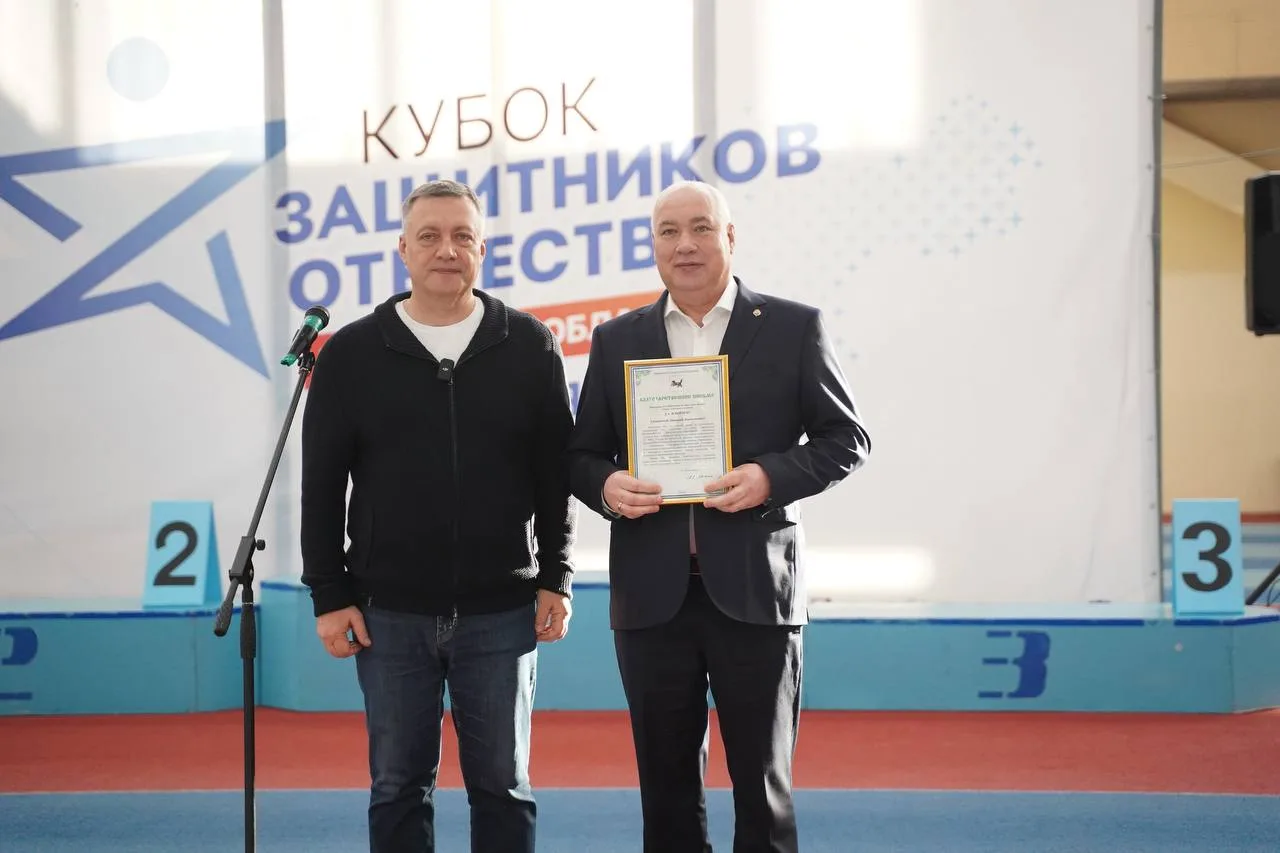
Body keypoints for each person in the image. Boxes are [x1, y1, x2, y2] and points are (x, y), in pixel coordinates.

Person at [566, 180, 871, 852]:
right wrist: (608, 485)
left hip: (758, 591)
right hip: (651, 597)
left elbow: (846, 439)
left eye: (701, 227)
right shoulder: (618, 338)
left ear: (730, 237)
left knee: (763, 784)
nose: (685, 244)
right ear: (653, 245)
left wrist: (769, 477)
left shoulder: (793, 326)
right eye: (669, 231)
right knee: (665, 788)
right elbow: (580, 456)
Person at [298, 178, 577, 853]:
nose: (446, 249)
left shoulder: (530, 345)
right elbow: (321, 485)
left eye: (461, 236)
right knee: (397, 786)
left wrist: (557, 575)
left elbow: (555, 476)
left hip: (502, 611)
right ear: (403, 249)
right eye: (429, 236)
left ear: (482, 248)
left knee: (504, 786)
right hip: (388, 612)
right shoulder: (351, 354)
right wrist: (329, 593)